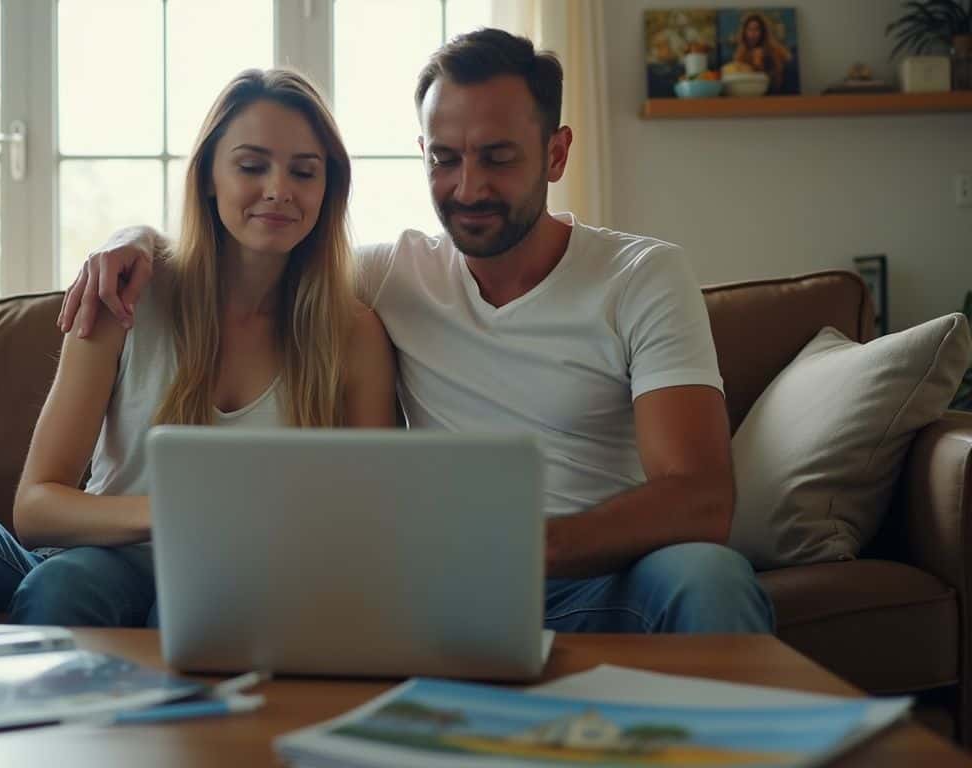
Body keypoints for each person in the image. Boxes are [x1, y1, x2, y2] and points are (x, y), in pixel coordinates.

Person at [57, 29, 775, 634]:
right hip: (444, 595)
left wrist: (530, 547)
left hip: (606, 582)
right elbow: (260, 253)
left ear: (556, 155)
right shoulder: (390, 276)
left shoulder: (641, 276)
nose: (467, 189)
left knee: (708, 574)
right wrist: (136, 241)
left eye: (498, 157)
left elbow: (700, 498)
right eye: (445, 158)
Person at [0, 68, 397, 627]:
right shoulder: (127, 293)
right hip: (95, 558)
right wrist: (178, 515)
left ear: (329, 189)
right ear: (207, 178)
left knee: (105, 593)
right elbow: (36, 506)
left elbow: (372, 523)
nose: (279, 189)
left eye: (305, 172)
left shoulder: (352, 335)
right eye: (251, 165)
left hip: (244, 581)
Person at [732, 13, 791, 93]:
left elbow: (777, 82)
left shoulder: (774, 51)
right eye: (749, 29)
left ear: (763, 32)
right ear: (744, 32)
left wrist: (760, 67)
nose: (753, 33)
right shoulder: (741, 53)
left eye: (756, 29)